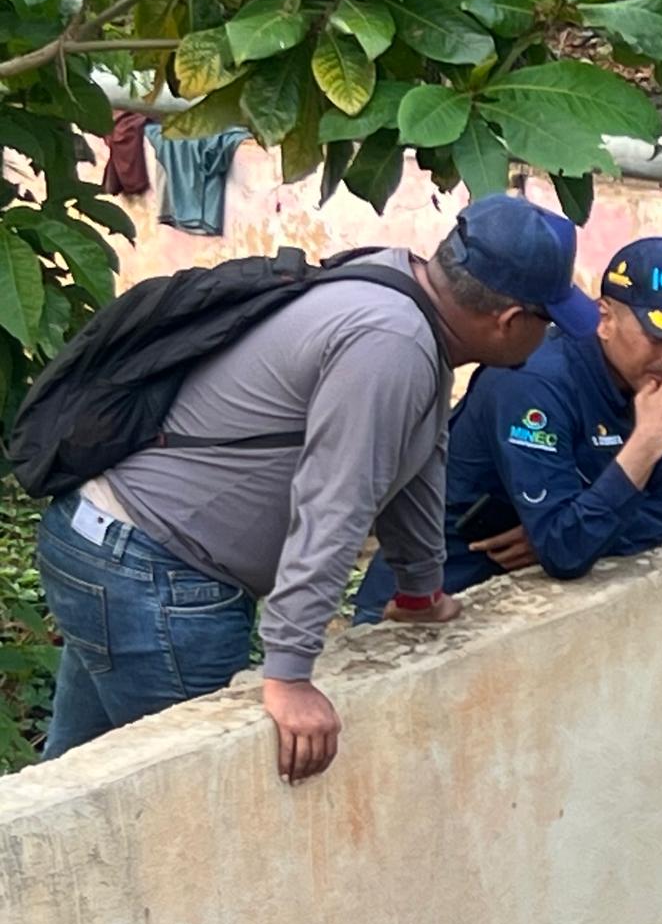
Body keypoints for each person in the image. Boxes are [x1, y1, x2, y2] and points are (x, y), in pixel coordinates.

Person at [38, 194, 582, 781]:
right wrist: (291, 673)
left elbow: (419, 458)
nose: (551, 337)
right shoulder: (393, 343)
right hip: (157, 577)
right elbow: (335, 503)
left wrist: (420, 590)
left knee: (72, 776)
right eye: (550, 321)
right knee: (210, 803)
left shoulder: (400, 290)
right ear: (510, 320)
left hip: (108, 544)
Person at [353, 236, 662, 615]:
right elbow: (567, 552)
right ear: (605, 319)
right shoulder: (535, 381)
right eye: (657, 337)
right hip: (422, 612)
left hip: (524, 616)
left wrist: (572, 536)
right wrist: (646, 446)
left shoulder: (655, 388)